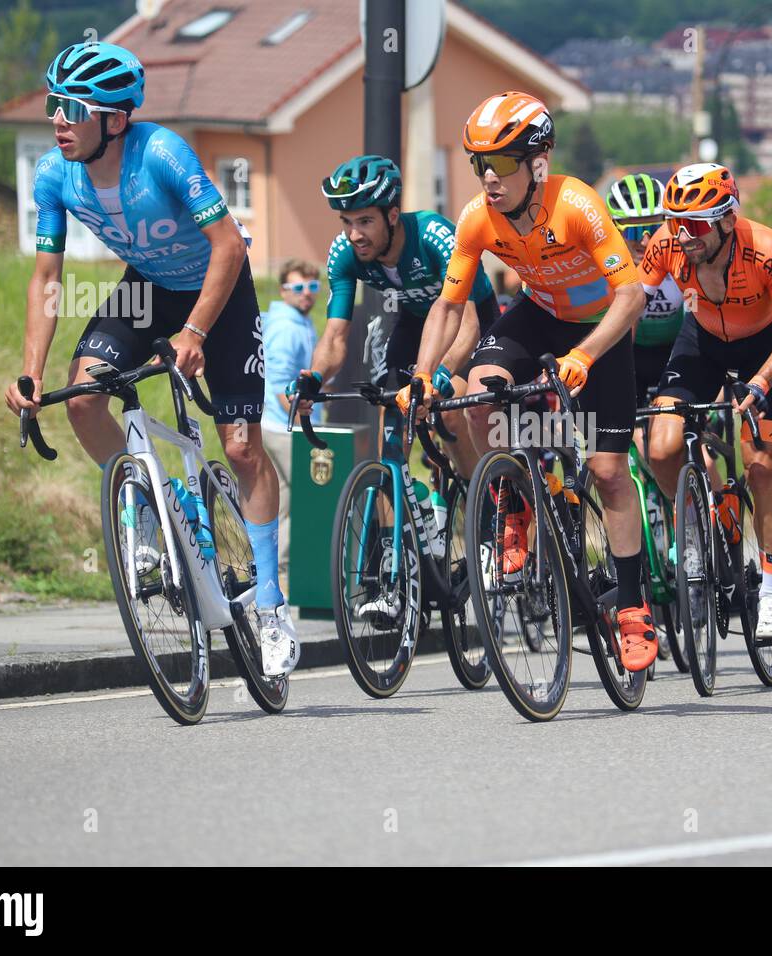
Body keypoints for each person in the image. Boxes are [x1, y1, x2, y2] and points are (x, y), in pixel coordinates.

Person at [4, 42, 298, 676]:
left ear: (114, 119)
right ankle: (150, 507)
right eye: (54, 104)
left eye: (72, 108)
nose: (58, 120)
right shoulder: (55, 176)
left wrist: (195, 330)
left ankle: (272, 606)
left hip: (218, 287)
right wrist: (30, 372)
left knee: (241, 447)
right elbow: (46, 280)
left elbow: (227, 246)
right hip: (146, 289)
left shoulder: (162, 154)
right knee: (82, 400)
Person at [404, 91, 659, 671]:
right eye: (478, 165)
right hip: (539, 313)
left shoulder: (577, 205)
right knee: (479, 394)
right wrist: (422, 376)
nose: (487, 179)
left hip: (601, 326)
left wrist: (587, 356)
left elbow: (631, 295)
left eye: (499, 165)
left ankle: (633, 607)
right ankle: (514, 503)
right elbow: (447, 307)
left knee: (607, 470)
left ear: (537, 162)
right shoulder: (478, 218)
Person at [642, 163, 772, 638]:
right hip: (701, 343)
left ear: (726, 220)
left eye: (694, 224)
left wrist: (761, 380)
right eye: (676, 223)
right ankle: (696, 525)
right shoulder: (667, 245)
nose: (683, 235)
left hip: (762, 347)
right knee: (660, 446)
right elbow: (632, 306)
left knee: (760, 468)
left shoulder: (767, 251)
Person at [306, 155, 498, 481]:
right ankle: (390, 521)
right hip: (415, 321)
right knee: (393, 415)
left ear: (392, 215)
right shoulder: (344, 254)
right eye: (347, 222)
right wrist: (313, 378)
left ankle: (478, 498)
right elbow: (335, 337)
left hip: (471, 322)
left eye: (365, 221)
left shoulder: (434, 236)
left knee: (451, 412)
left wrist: (435, 377)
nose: (354, 235)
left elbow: (468, 326)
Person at [604, 173, 682, 458]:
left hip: (675, 356)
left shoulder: (679, 262)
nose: (645, 240)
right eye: (634, 232)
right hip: (632, 358)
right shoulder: (608, 271)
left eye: (653, 227)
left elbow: (699, 319)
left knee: (696, 452)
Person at [262, 259, 325, 577]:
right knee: (306, 495)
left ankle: (276, 566)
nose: (307, 294)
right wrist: (301, 424)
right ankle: (286, 570)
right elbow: (277, 382)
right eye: (298, 288)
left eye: (312, 287)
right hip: (283, 427)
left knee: (285, 499)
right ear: (283, 291)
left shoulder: (295, 321)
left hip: (276, 425)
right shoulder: (287, 326)